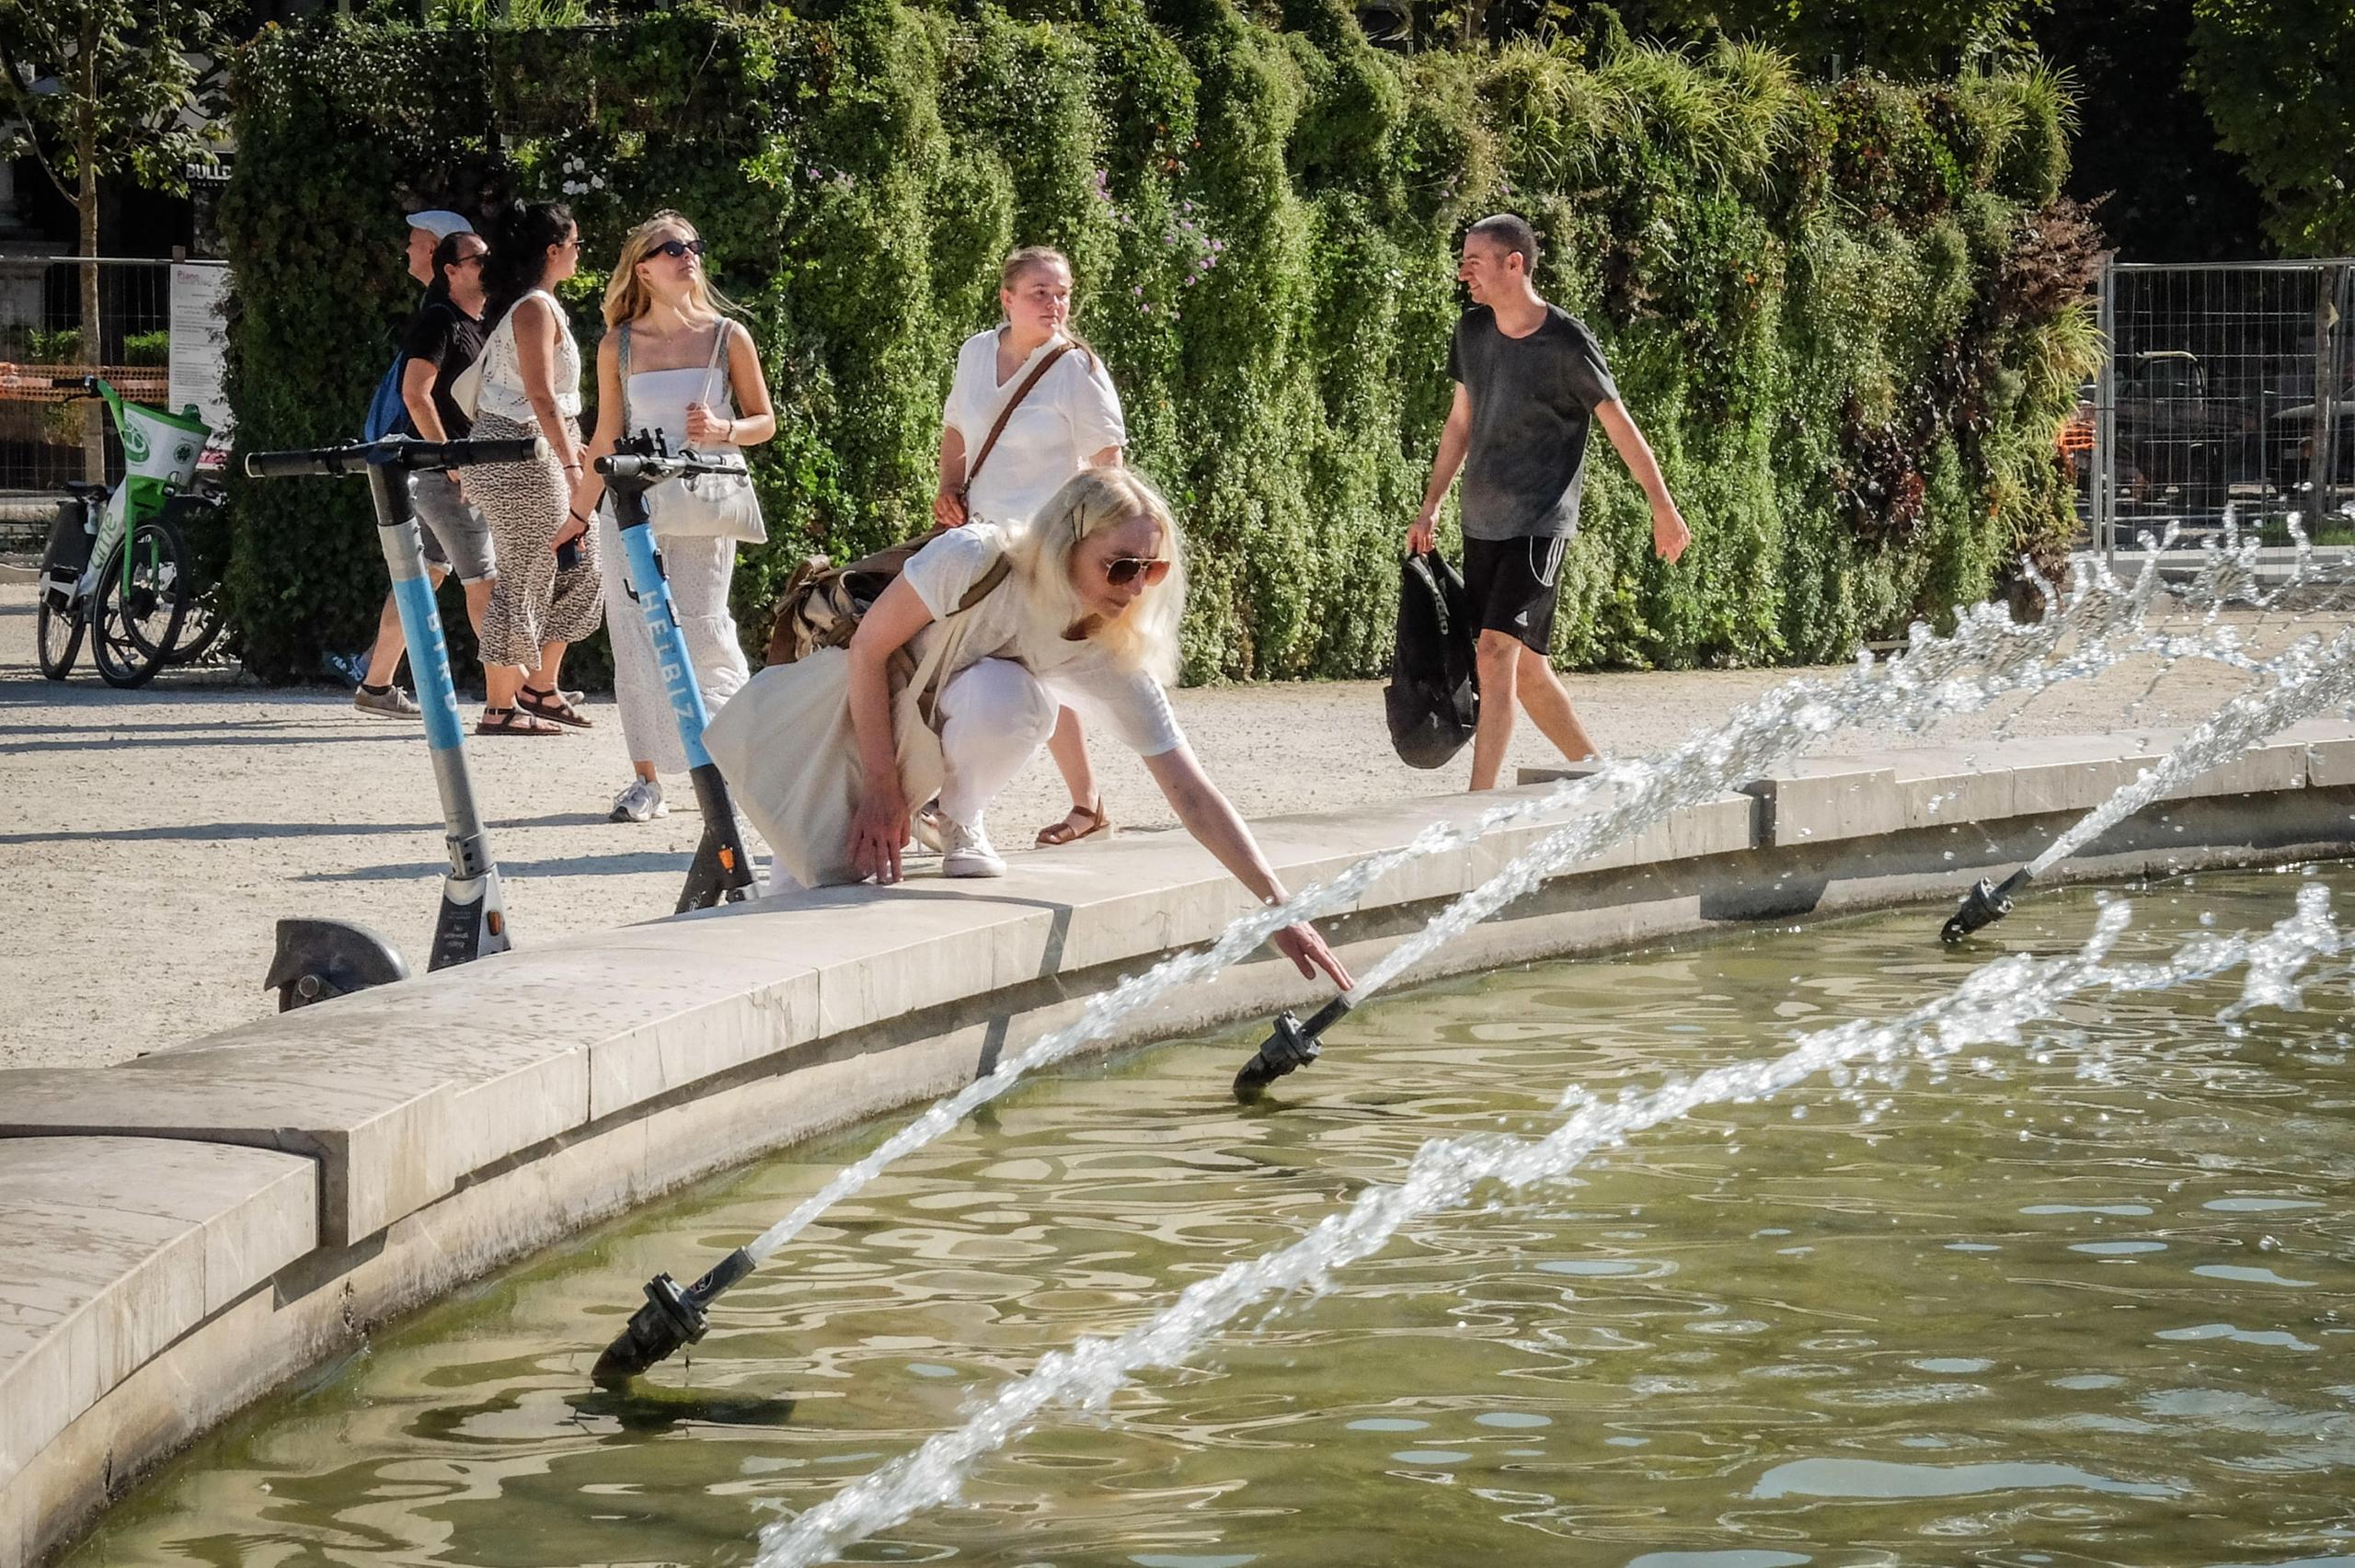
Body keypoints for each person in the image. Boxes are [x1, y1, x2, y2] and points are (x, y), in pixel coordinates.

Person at [836, 470, 1344, 990]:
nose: (1134, 588)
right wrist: (880, 785)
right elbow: (867, 650)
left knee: (1016, 699)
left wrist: (1280, 907)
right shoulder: (971, 558)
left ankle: (952, 816)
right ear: (1065, 544)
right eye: (1120, 566)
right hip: (852, 722)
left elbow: (1191, 793)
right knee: (815, 876)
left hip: (918, 747)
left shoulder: (1109, 649)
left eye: (1151, 570)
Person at [1407, 212, 1691, 789]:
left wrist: (1662, 504)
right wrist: (1432, 501)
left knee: (1493, 655)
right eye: (1463, 261)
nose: (1464, 273)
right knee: (1529, 672)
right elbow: (1460, 421)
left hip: (1540, 525)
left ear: (1515, 264)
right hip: (1481, 521)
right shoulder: (1472, 332)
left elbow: (1618, 423)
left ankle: (1476, 804)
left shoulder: (1566, 341)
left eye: (1474, 261)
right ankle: (1599, 774)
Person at [572, 212, 775, 822]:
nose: (686, 254)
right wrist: (577, 516)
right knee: (635, 637)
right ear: (643, 268)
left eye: (692, 244)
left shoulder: (727, 336)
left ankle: (735, 765)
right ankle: (646, 781)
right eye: (670, 248)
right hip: (633, 506)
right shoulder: (619, 344)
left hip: (704, 499)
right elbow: (607, 434)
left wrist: (724, 429)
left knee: (704, 627)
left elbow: (764, 421)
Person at [934, 246, 1127, 850]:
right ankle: (1082, 804)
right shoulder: (974, 352)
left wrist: (1093, 549)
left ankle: (964, 804)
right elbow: (957, 430)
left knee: (1047, 670)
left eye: (1062, 292)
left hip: (1053, 546)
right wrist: (948, 487)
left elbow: (1109, 464)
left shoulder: (1078, 368)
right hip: (982, 542)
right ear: (1007, 298)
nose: (1055, 303)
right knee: (1001, 666)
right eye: (1040, 292)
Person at [469, 200, 602, 736]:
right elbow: (541, 394)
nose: (579, 253)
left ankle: (540, 684)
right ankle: (499, 707)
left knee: (583, 565)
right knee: (527, 569)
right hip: (513, 448)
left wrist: (576, 453)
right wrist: (573, 465)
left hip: (544, 446)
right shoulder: (533, 309)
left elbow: (558, 403)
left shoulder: (545, 306)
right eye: (575, 244)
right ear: (553, 251)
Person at [354, 207, 477, 719]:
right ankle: (515, 694)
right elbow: (419, 394)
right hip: (434, 461)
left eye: (414, 242)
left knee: (423, 571)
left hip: (420, 458)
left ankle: (377, 682)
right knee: (471, 574)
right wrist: (450, 456)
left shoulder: (441, 306)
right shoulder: (441, 311)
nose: (406, 250)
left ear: (437, 252)